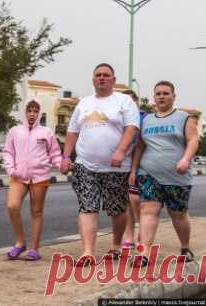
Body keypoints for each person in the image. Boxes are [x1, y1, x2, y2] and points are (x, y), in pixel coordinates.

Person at [60, 63, 140, 264]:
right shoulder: (84, 104)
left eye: (106, 75)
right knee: (88, 207)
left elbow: (132, 128)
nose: (102, 78)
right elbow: (72, 131)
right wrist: (66, 156)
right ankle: (88, 252)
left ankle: (115, 244)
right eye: (98, 75)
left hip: (116, 167)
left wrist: (121, 151)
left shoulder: (124, 101)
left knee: (117, 210)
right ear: (93, 79)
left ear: (113, 79)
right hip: (85, 165)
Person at [130, 81, 199, 267]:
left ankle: (185, 247)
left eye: (166, 93)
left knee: (178, 213)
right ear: (154, 97)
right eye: (158, 93)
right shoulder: (147, 120)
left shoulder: (184, 118)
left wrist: (185, 159)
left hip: (177, 176)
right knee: (148, 210)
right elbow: (140, 146)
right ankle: (143, 253)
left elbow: (193, 140)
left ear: (173, 97)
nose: (162, 96)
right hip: (148, 173)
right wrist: (134, 170)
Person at [3, 98, 62, 261]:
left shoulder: (46, 132)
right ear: (24, 112)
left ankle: (34, 249)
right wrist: (11, 169)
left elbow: (55, 154)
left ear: (39, 113)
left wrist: (61, 164)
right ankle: (20, 242)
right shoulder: (14, 131)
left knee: (36, 212)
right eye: (29, 110)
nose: (32, 114)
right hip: (18, 176)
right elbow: (8, 152)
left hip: (40, 177)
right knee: (12, 206)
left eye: (35, 111)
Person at [121, 89, 145, 249]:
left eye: (131, 102)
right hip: (123, 164)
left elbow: (142, 144)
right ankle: (129, 234)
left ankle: (143, 231)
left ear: (136, 102)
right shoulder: (119, 119)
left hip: (142, 163)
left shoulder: (145, 119)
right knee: (126, 201)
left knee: (137, 200)